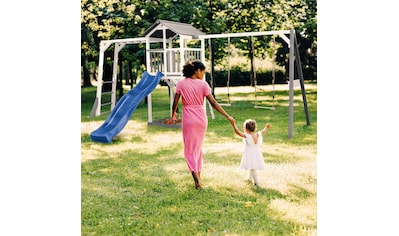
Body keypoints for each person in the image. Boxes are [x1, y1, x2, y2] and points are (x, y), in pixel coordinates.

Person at [170, 61, 235, 189]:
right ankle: (199, 178)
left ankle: (197, 181)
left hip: (189, 120)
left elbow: (175, 102)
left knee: (189, 150)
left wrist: (173, 114)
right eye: (203, 72)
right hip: (201, 120)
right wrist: (227, 115)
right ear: (197, 70)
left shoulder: (181, 84)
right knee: (197, 149)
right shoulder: (203, 85)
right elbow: (213, 102)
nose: (203, 74)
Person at [230, 119, 270, 186]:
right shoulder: (258, 135)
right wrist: (266, 127)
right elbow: (263, 131)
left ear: (245, 128)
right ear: (255, 128)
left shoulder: (247, 136)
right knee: (251, 166)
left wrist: (234, 125)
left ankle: (257, 183)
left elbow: (238, 132)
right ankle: (249, 178)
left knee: (253, 168)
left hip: (250, 154)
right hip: (256, 154)